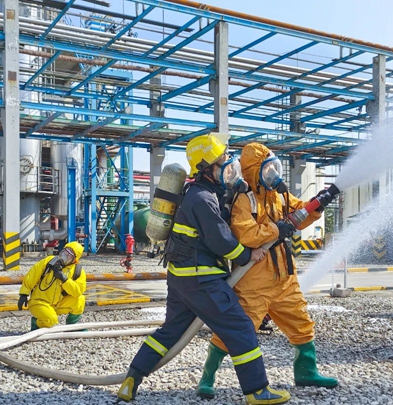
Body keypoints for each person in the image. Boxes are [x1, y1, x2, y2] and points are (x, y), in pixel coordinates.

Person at [117, 134, 291, 405]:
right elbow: (221, 241)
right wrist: (248, 255)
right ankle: (257, 391)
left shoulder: (198, 193)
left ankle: (131, 379)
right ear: (206, 169)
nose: (230, 166)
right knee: (241, 328)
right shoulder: (202, 198)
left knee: (169, 332)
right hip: (203, 280)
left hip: (181, 279)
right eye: (223, 162)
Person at [196, 142, 338, 400]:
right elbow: (246, 233)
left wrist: (318, 204)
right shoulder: (243, 198)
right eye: (268, 169)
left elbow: (299, 212)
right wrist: (277, 229)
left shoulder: (279, 196)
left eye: (275, 167)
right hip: (253, 280)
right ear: (252, 171)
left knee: (301, 323)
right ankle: (207, 378)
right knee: (236, 330)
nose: (274, 174)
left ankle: (306, 371)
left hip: (284, 277)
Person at [17, 241, 86, 330]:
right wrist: (23, 294)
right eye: (65, 251)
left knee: (80, 299)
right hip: (40, 301)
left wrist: (64, 279)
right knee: (51, 321)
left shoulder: (78, 271)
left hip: (58, 303)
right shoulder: (49, 261)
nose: (65, 255)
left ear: (75, 260)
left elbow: (77, 291)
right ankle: (36, 323)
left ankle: (72, 325)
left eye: (70, 255)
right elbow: (32, 274)